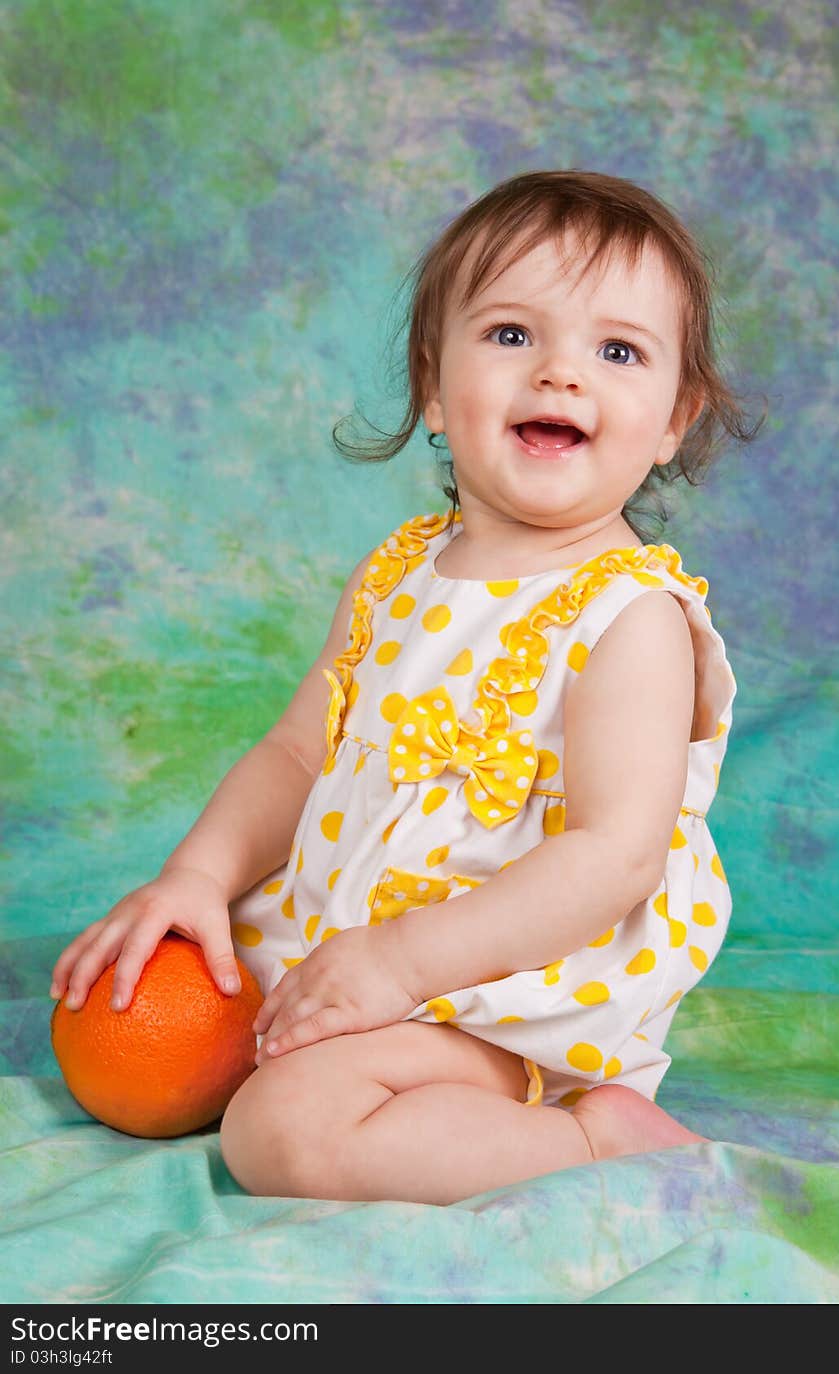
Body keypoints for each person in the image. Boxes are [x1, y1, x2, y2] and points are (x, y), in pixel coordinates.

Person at [50, 169, 763, 1206]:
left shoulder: (628, 619)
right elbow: (300, 755)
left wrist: (397, 965)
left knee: (281, 1135)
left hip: (495, 992)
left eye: (617, 351)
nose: (562, 376)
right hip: (355, 947)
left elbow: (609, 860)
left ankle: (595, 1137)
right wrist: (197, 877)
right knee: (133, 1044)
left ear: (670, 420)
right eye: (513, 335)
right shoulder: (398, 572)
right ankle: (350, 1057)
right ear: (433, 384)